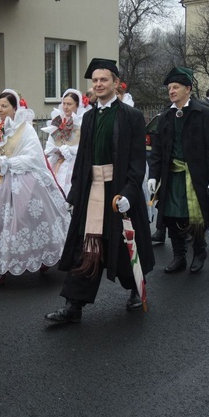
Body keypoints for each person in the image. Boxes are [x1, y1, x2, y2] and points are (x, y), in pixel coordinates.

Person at [44, 58, 154, 324]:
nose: (99, 84)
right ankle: (74, 306)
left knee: (122, 243)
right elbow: (83, 158)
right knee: (88, 246)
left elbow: (137, 161)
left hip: (118, 194)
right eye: (95, 81)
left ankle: (135, 290)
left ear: (116, 83)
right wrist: (74, 195)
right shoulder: (90, 117)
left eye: (104, 79)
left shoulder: (132, 117)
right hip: (92, 192)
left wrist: (129, 193)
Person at [0, 89, 70, 287]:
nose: (1, 109)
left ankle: (42, 258)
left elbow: (33, 157)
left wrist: (7, 163)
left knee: (26, 221)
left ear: (15, 108)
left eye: (5, 106)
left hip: (23, 181)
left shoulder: (25, 128)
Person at [148, 67, 209, 274]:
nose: (171, 91)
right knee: (172, 216)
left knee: (194, 217)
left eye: (176, 87)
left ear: (188, 89)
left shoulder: (203, 113)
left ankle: (199, 251)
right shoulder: (165, 116)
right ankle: (178, 256)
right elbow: (157, 150)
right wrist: (153, 175)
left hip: (196, 175)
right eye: (170, 88)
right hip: (171, 175)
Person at [42, 88, 89, 196]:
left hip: (72, 162)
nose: (66, 107)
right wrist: (53, 150)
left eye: (69, 104)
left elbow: (84, 146)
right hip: (56, 160)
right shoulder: (58, 121)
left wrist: (68, 150)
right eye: (64, 103)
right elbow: (50, 141)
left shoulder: (81, 123)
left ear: (77, 105)